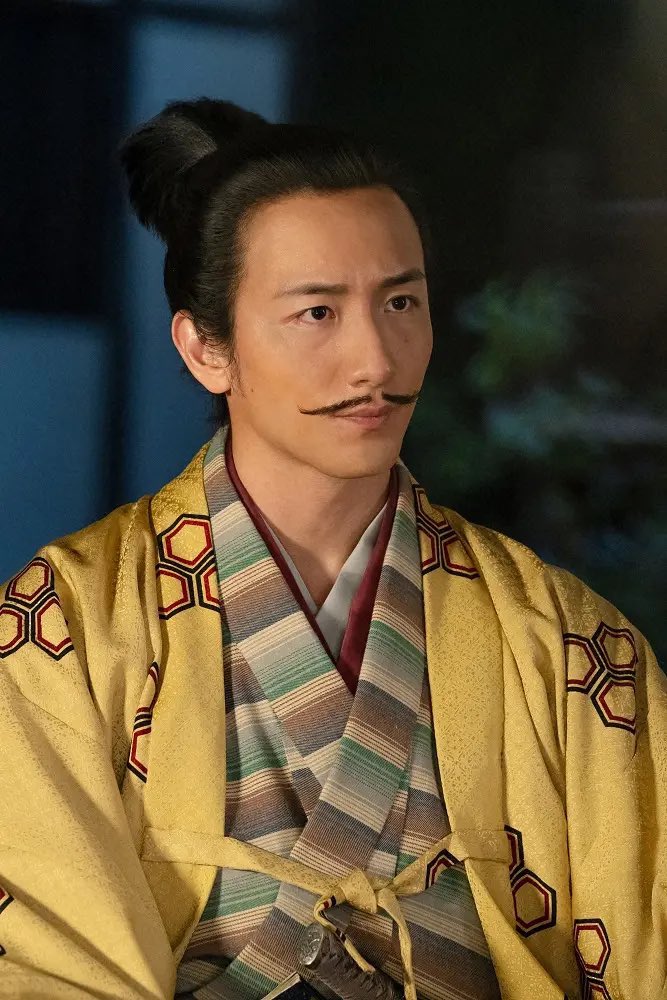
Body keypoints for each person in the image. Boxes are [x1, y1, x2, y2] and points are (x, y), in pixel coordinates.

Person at [0, 99, 664, 1000]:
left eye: (401, 302)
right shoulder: (66, 629)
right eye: (317, 312)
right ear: (205, 349)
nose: (375, 360)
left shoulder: (560, 638)